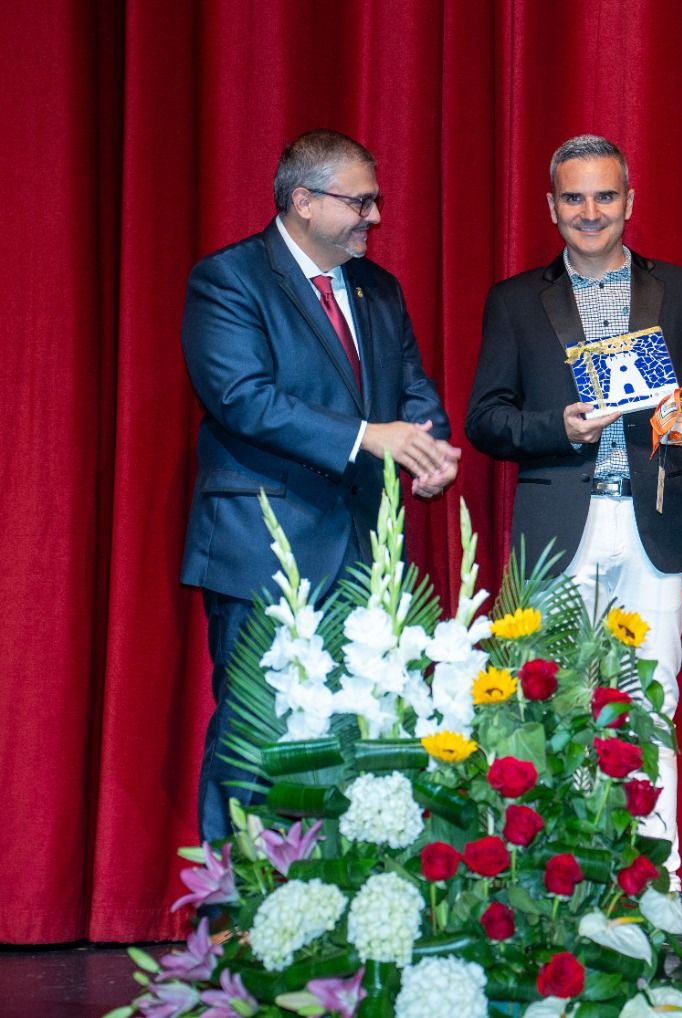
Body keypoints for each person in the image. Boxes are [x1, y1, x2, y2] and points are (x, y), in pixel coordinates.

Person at [465, 134, 682, 950]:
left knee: (654, 705)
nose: (590, 213)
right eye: (573, 199)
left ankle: (662, 888)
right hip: (559, 525)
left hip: (653, 520)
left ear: (629, 202)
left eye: (604, 197)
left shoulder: (680, 289)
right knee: (551, 708)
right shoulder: (514, 301)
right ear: (551, 208)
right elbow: (486, 419)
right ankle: (558, 893)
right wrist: (561, 426)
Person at [181, 129, 460, 844]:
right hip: (263, 545)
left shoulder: (378, 287)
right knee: (256, 728)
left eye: (376, 200)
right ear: (303, 201)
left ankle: (325, 911)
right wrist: (371, 437)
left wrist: (425, 448)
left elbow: (412, 388)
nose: (374, 216)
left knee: (354, 731)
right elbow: (243, 398)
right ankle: (232, 915)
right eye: (359, 201)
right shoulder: (230, 279)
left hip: (364, 551)